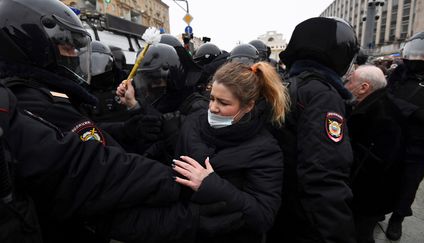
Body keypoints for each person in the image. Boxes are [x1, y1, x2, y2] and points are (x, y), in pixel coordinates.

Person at [0, 0, 180, 242]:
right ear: (32, 46)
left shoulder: (25, 94)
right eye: (67, 47)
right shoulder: (42, 101)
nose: (75, 55)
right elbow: (95, 162)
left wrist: (128, 127)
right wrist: (174, 183)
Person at [173, 61, 289, 242]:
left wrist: (212, 186)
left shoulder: (266, 150)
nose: (212, 107)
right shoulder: (194, 121)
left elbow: (262, 216)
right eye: (211, 98)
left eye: (223, 102)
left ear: (248, 106)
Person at [267, 16, 359, 243]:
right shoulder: (322, 95)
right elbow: (324, 173)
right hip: (303, 217)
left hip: (280, 204)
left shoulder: (288, 84)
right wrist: (338, 234)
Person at [345, 65, 408, 243]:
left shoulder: (382, 115)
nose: (347, 85)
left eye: (350, 81)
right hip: (372, 196)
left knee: (360, 235)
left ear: (364, 87)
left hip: (368, 199)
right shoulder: (376, 104)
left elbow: (371, 164)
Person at [385, 30, 424, 241]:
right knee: (384, 175)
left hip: (421, 146)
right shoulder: (399, 73)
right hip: (393, 137)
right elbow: (387, 97)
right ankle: (378, 207)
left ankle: (398, 218)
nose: (418, 59)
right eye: (416, 53)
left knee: (409, 184)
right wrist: (413, 111)